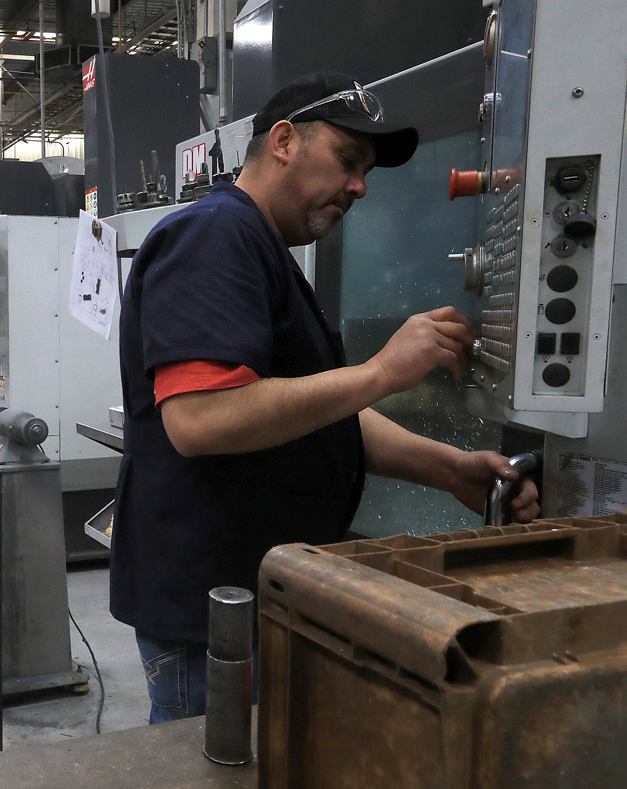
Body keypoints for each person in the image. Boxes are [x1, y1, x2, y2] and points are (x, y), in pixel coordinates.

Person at [110, 72, 540, 724]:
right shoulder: (215, 236)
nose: (361, 185)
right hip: (216, 610)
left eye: (366, 170)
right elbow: (201, 418)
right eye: (348, 160)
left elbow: (321, 414)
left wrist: (450, 469)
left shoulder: (266, 251)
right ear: (284, 141)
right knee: (216, 784)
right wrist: (383, 370)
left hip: (264, 593)